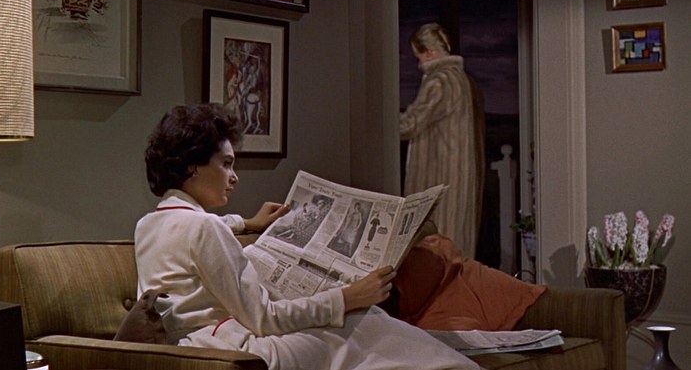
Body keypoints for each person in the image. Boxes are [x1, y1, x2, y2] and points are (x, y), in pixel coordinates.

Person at [135, 103, 479, 370]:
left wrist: (248, 223)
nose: (234, 177)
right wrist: (346, 297)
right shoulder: (203, 229)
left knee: (362, 329)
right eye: (226, 164)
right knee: (360, 323)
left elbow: (206, 228)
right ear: (193, 166)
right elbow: (265, 319)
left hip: (192, 349)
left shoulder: (150, 225)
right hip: (235, 353)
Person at [400, 23, 484, 259]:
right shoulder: (462, 79)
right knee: (454, 241)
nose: (418, 63)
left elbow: (411, 124)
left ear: (429, 52)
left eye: (419, 55)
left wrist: (379, 119)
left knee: (436, 244)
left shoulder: (440, 81)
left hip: (439, 174)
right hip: (456, 174)